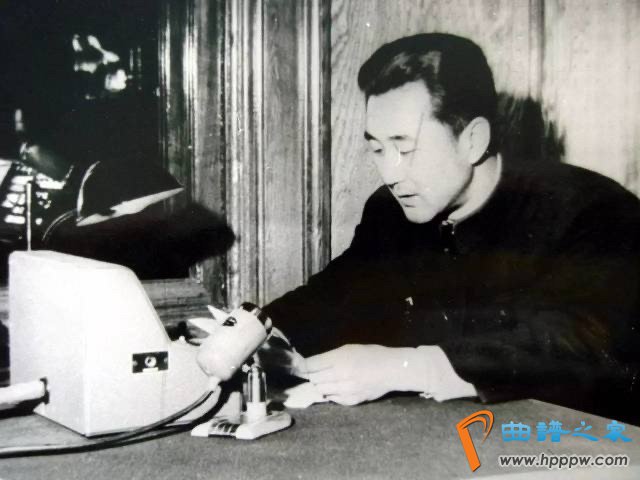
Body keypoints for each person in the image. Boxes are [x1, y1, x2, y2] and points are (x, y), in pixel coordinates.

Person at [216, 33, 640, 422]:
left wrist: (404, 367)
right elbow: (338, 291)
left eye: (405, 148)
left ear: (472, 140)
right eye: (377, 149)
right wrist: (262, 333)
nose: (390, 173)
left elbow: (581, 344)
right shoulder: (390, 210)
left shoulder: (593, 209)